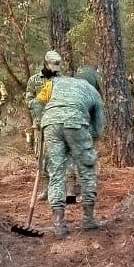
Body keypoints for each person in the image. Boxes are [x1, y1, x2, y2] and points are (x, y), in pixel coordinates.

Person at [35, 70, 105, 236]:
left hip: (50, 123)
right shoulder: (93, 91)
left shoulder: (57, 82)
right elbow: (99, 128)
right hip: (75, 123)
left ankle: (59, 224)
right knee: (87, 169)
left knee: (56, 173)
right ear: (94, 81)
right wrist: (85, 143)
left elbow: (37, 102)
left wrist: (41, 121)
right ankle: (88, 219)